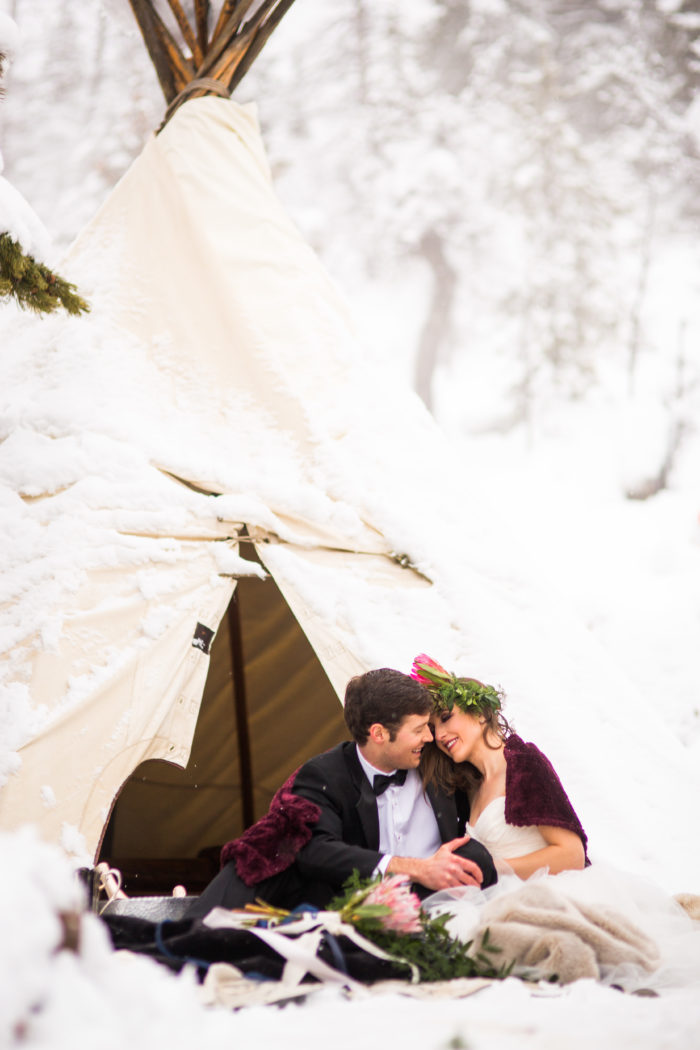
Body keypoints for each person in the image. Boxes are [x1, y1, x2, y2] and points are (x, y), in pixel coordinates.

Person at [412, 654, 700, 991]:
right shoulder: (470, 788)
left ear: (478, 712)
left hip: (557, 892)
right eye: (434, 728)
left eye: (446, 718)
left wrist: (495, 867)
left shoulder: (523, 762)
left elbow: (571, 855)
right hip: (501, 902)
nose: (441, 734)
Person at [187, 667, 497, 919]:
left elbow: (482, 741)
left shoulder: (439, 760)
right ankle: (197, 933)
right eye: (418, 730)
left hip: (432, 902)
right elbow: (316, 850)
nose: (431, 737)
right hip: (352, 908)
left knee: (476, 857)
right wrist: (415, 868)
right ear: (378, 734)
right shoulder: (324, 775)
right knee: (257, 862)